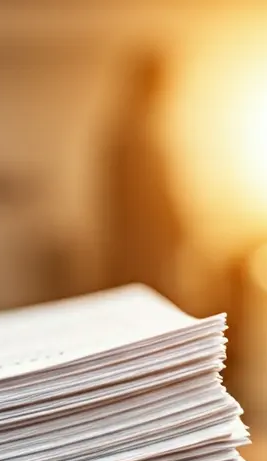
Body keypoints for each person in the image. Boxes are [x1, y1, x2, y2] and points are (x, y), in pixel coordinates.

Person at [103, 51, 184, 302]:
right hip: (141, 258)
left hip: (148, 257)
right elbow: (130, 207)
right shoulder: (132, 139)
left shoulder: (139, 135)